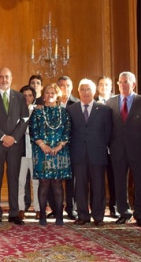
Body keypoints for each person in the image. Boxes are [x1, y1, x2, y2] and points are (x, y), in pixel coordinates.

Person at [0, 67, 29, 226]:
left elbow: (24, 119)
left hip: (15, 145)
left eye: (7, 77)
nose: (4, 80)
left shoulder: (20, 97)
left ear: (11, 78)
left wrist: (13, 138)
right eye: (1, 77)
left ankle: (14, 213)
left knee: (14, 179)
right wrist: (3, 137)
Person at [106, 72, 141, 227]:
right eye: (120, 82)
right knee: (119, 182)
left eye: (126, 82)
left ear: (133, 84)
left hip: (138, 149)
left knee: (140, 182)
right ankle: (123, 212)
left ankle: (140, 215)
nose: (123, 85)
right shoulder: (110, 102)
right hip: (117, 149)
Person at [68, 79, 112, 226]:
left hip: (98, 154)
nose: (85, 92)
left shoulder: (104, 110)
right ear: (78, 91)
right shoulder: (71, 109)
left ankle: (98, 216)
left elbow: (108, 133)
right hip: (78, 153)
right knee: (79, 186)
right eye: (82, 89)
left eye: (88, 89)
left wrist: (100, 146)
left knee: (98, 186)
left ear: (94, 92)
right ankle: (82, 215)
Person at [31, 83, 72, 226]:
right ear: (43, 95)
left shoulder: (64, 112)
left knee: (57, 183)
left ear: (57, 95)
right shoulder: (38, 112)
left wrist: (59, 146)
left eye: (53, 92)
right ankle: (42, 215)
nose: (50, 95)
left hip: (60, 152)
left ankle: (59, 216)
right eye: (47, 92)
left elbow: (67, 131)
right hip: (42, 152)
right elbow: (33, 131)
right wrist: (43, 145)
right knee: (44, 183)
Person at [57, 75, 78, 220]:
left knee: (72, 180)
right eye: (62, 85)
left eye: (68, 85)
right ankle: (56, 208)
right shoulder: (52, 102)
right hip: (54, 148)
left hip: (72, 147)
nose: (65, 88)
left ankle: (71, 208)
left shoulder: (76, 103)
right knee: (54, 179)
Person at [96, 75, 117, 218]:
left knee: (113, 178)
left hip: (113, 147)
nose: (104, 87)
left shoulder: (116, 103)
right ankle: (98, 208)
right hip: (96, 147)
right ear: (97, 87)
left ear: (111, 87)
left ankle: (114, 206)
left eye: (107, 85)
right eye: (101, 84)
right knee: (96, 180)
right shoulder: (91, 102)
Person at [18, 86, 38, 220]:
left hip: (35, 151)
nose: (27, 98)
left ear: (34, 97)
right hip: (20, 151)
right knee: (20, 181)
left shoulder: (38, 111)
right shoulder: (16, 111)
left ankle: (38, 208)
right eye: (24, 95)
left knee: (36, 181)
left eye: (30, 95)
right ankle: (20, 208)